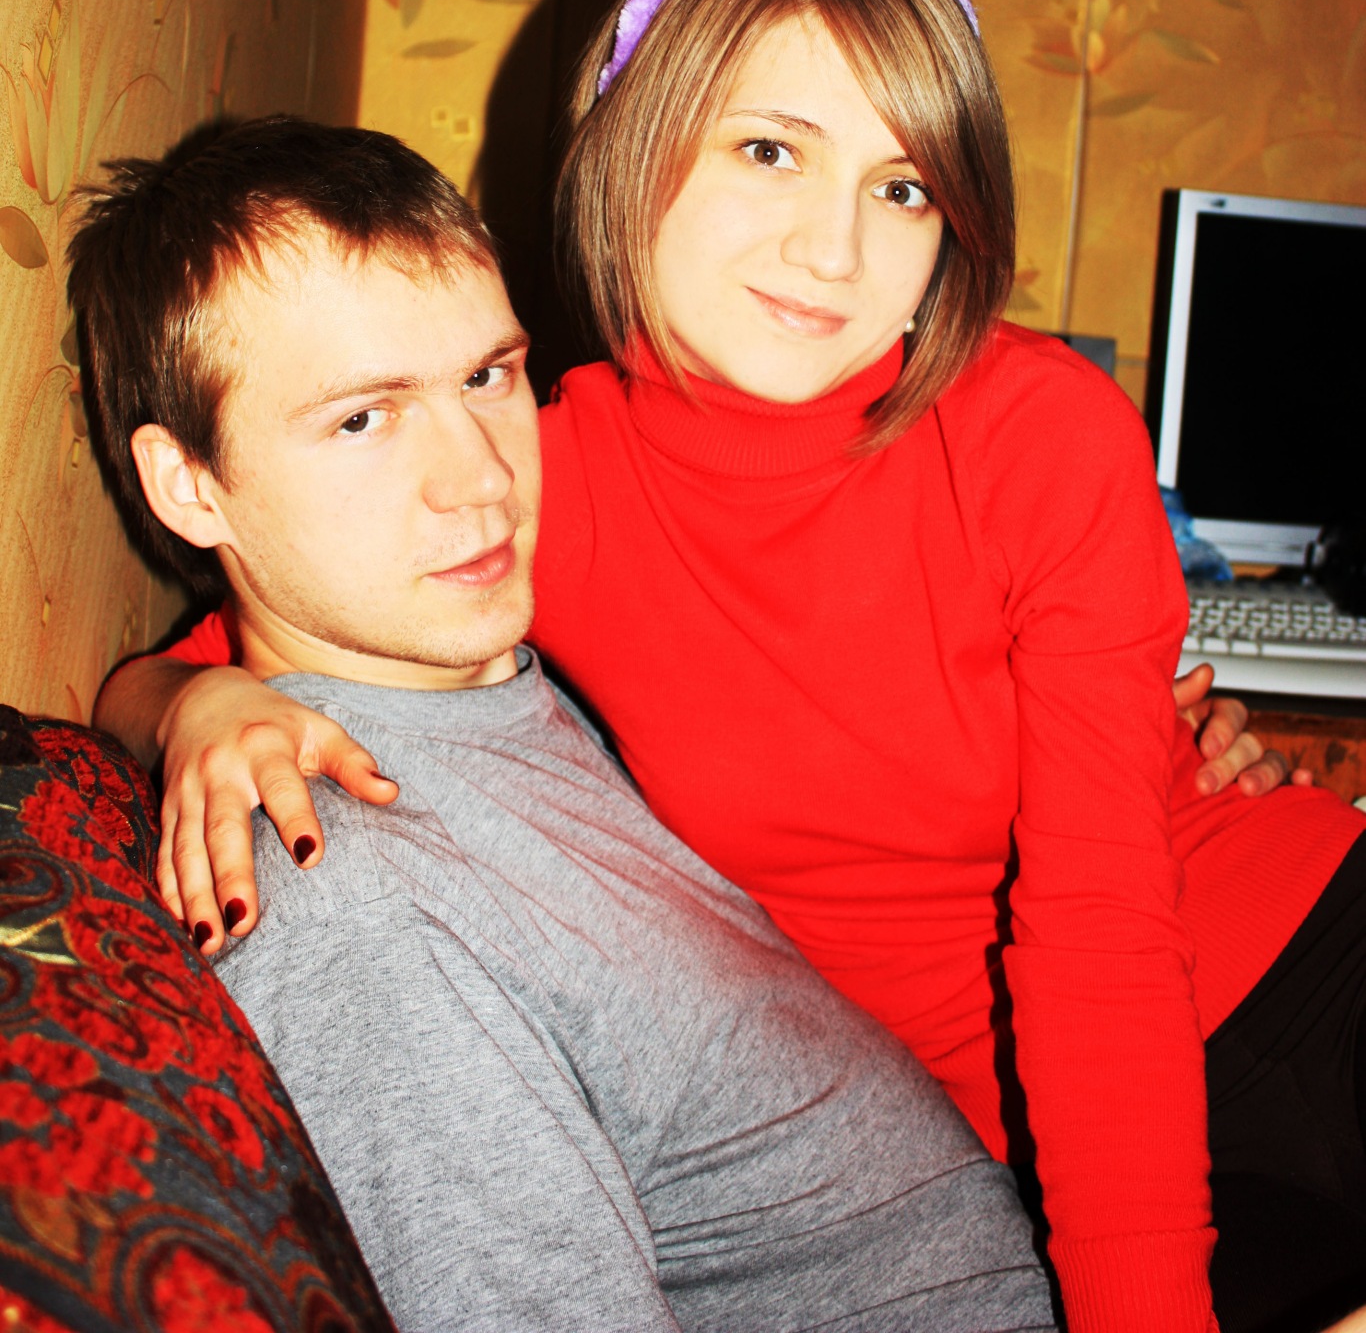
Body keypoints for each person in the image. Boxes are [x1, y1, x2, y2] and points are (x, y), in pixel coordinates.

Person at [94, 0, 1366, 1333]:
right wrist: (187, 709)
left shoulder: (1036, 432)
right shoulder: (533, 471)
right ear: (642, 136)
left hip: (1263, 981)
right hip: (1006, 1154)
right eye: (770, 149)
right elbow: (230, 613)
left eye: (901, 185)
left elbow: (1096, 931)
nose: (834, 250)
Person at [67, 122, 1057, 1333]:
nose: (482, 476)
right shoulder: (355, 897)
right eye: (363, 419)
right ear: (189, 484)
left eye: (488, 376)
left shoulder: (508, 685)